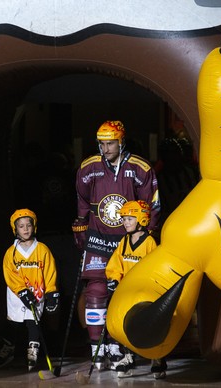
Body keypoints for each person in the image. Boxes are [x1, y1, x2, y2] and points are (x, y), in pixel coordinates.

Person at [72, 120, 160, 371]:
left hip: (126, 242)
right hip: (98, 238)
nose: (105, 148)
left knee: (127, 292)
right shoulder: (89, 167)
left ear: (121, 141)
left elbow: (151, 203)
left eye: (110, 143)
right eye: (102, 143)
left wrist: (147, 234)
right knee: (97, 291)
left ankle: (118, 343)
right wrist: (80, 223)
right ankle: (97, 347)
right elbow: (81, 197)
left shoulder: (140, 168)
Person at [105, 200, 166, 379]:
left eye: (130, 218)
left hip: (145, 293)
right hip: (126, 293)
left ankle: (157, 359)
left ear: (142, 219)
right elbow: (115, 265)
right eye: (124, 218)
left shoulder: (149, 243)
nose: (126, 222)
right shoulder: (124, 241)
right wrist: (114, 279)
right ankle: (128, 357)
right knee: (124, 324)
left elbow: (155, 268)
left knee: (149, 327)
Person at [0, 209, 60, 371]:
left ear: (34, 226)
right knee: (13, 323)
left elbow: (50, 272)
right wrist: (22, 291)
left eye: (28, 225)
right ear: (15, 229)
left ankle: (32, 351)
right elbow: (10, 274)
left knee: (33, 323)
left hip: (36, 292)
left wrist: (51, 293)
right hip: (17, 294)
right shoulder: (11, 252)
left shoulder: (42, 249)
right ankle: (8, 350)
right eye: (21, 226)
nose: (25, 229)